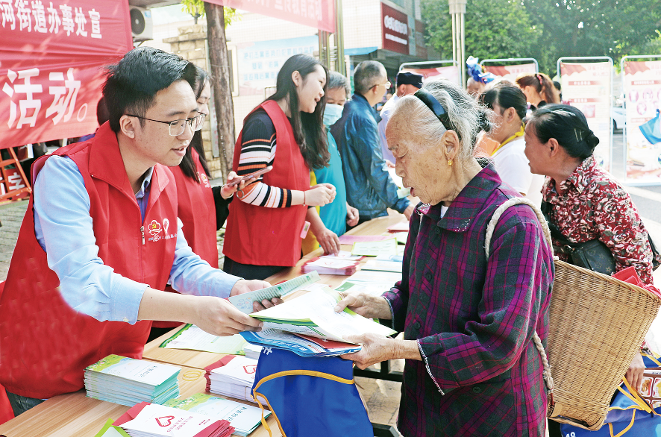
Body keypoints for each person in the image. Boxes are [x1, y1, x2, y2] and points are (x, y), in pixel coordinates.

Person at [0, 47, 272, 416]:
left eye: (193, 119)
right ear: (129, 124)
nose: (187, 134)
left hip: (118, 364)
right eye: (174, 121)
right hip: (49, 368)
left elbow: (180, 263)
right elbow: (85, 282)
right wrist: (193, 309)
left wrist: (235, 288)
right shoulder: (64, 175)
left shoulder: (162, 176)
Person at [335, 79, 554, 436]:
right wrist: (377, 304)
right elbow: (414, 296)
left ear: (449, 146)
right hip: (427, 411)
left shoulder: (514, 224)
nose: (397, 169)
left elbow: (497, 345)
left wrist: (395, 348)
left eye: (401, 154)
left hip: (489, 419)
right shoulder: (427, 213)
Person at [524, 106, 660, 434]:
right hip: (582, 330)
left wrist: (631, 349)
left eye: (528, 140)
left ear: (552, 147)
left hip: (617, 335)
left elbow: (639, 276)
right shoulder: (552, 189)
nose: (523, 148)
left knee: (627, 418)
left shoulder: (603, 193)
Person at [148, 66, 259, 341]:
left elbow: (196, 206)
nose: (204, 111)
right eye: (201, 101)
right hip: (171, 296)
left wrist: (221, 194)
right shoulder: (161, 160)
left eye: (206, 103)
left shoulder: (190, 154)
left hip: (200, 275)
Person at [223, 54, 337, 280]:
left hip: (281, 251)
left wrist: (315, 212)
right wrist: (306, 196)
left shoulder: (294, 125)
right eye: (320, 82)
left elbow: (290, 188)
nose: (323, 93)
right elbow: (249, 190)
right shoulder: (262, 123)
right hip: (253, 258)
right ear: (296, 77)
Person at [332, 61, 414, 224]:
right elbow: (374, 168)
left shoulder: (347, 109)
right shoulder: (363, 119)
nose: (386, 88)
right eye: (386, 84)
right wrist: (402, 204)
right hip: (364, 206)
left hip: (351, 202)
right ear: (376, 88)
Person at [302, 71, 359, 253]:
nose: (336, 108)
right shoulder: (305, 138)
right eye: (331, 102)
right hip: (317, 239)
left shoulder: (327, 134)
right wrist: (319, 230)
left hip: (336, 234)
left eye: (341, 104)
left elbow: (330, 178)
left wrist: (345, 205)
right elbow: (302, 190)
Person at [480, 82, 545, 205]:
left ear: (510, 114)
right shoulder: (514, 148)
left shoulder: (514, 154)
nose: (484, 118)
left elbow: (512, 211)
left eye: (489, 111)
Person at [377, 71, 423, 164]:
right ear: (403, 88)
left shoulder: (402, 107)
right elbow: (401, 145)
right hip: (394, 167)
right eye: (416, 91)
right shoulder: (392, 111)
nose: (418, 95)